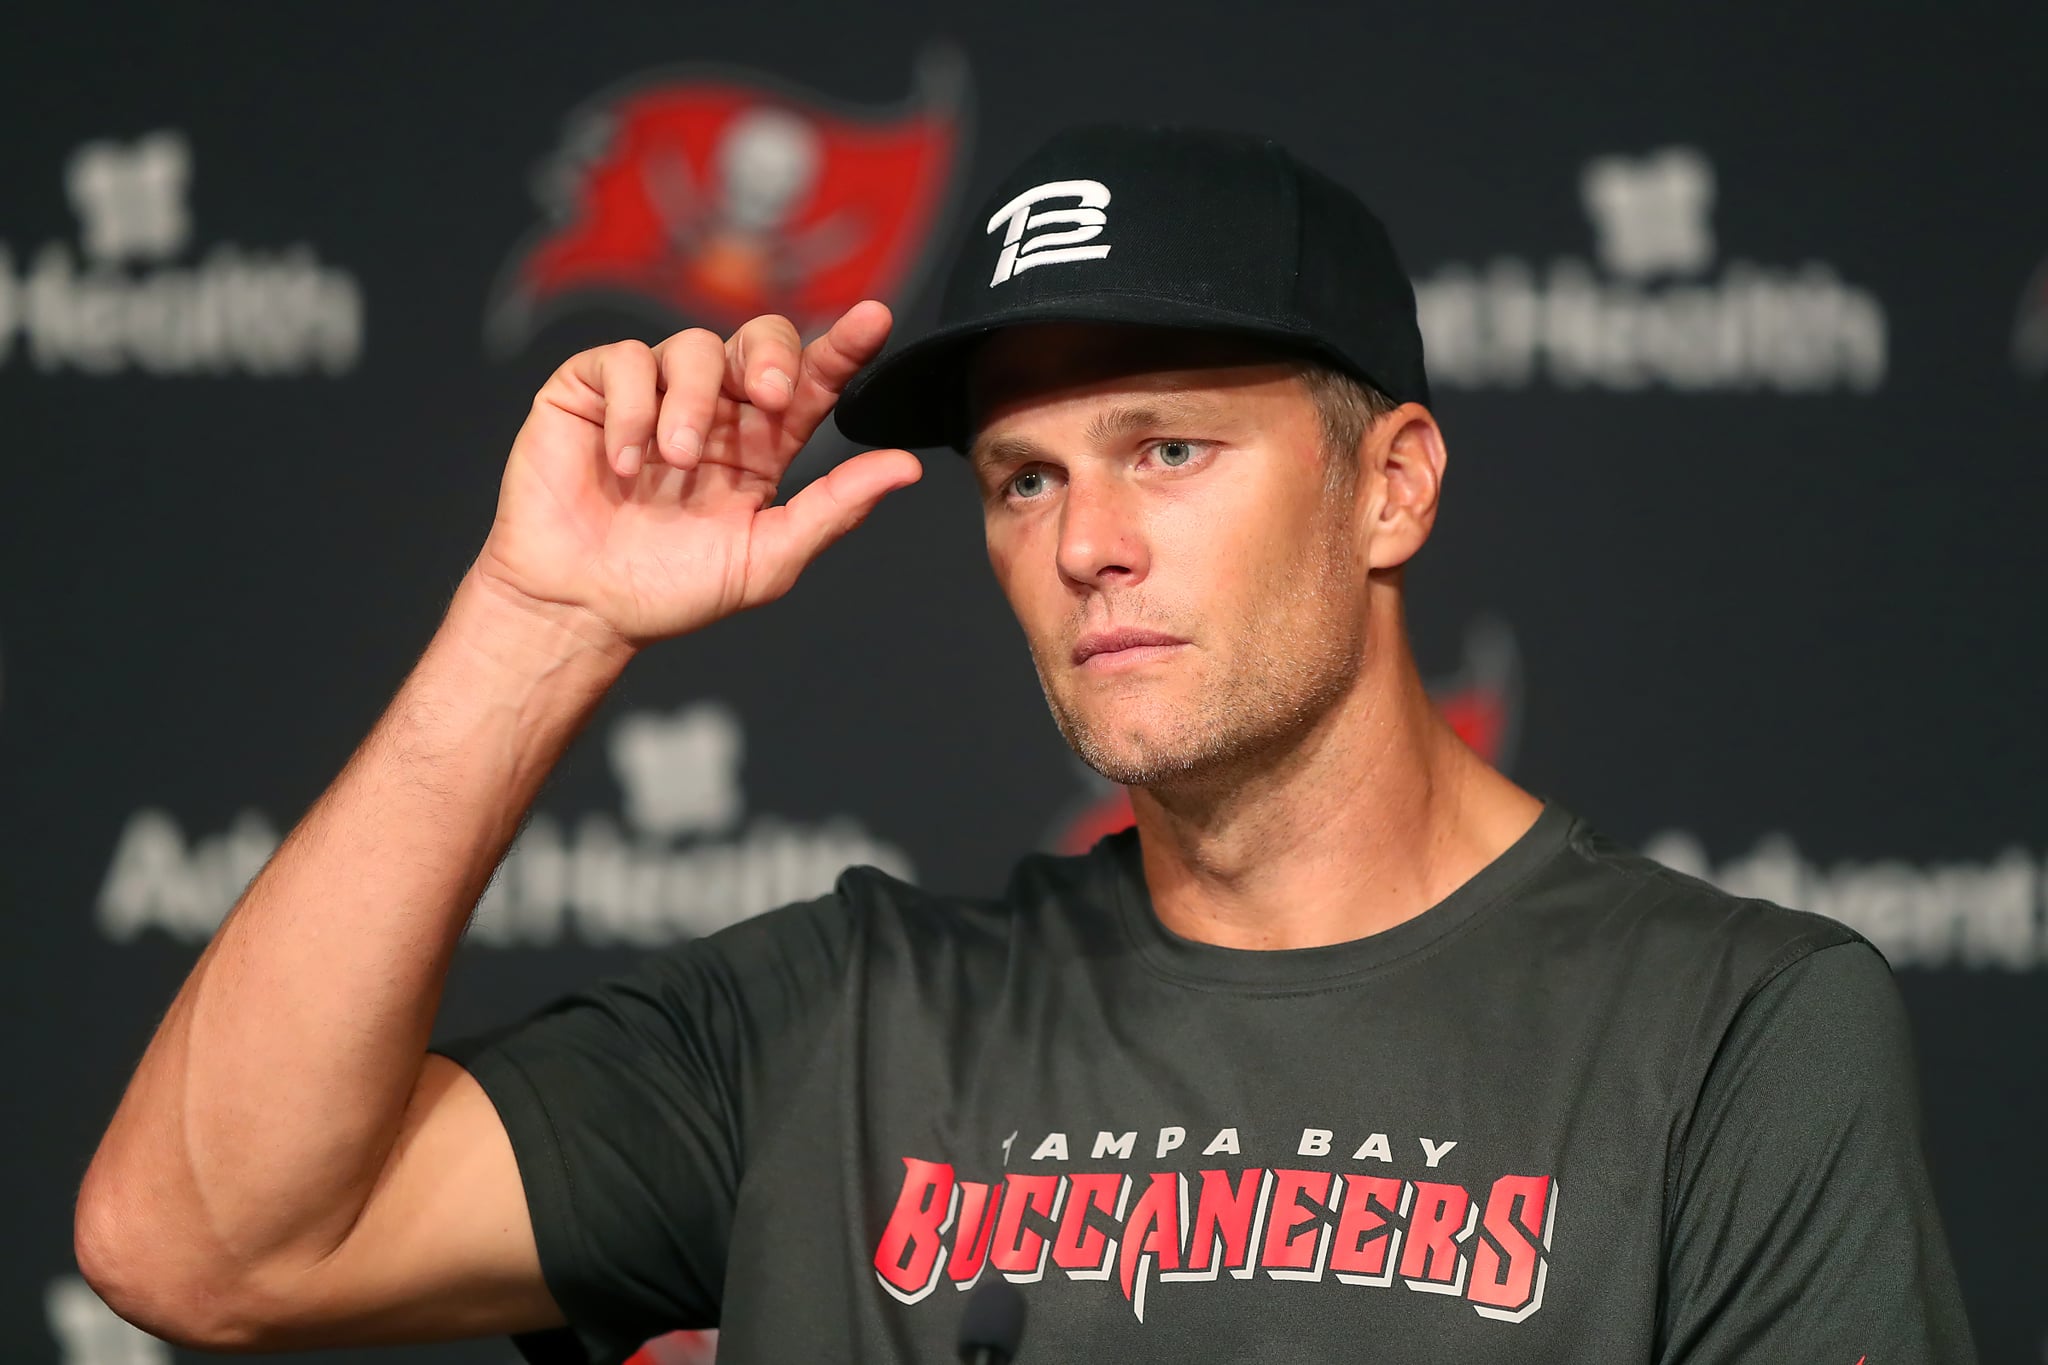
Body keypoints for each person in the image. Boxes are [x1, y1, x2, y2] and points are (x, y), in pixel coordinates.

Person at [75, 125, 1976, 1364]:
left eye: (1169, 446)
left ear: (1390, 487)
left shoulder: (1735, 1034)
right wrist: (537, 619)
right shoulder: (838, 1023)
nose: (1085, 542)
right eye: (1021, 476)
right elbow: (205, 1239)